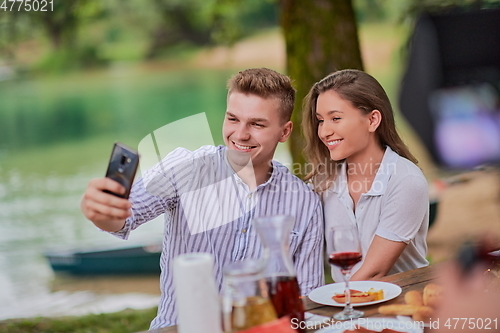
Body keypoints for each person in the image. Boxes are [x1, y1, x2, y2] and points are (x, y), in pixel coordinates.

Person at [80, 68, 324, 328]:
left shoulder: (303, 201)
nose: (240, 134)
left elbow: (307, 302)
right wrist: (103, 211)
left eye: (256, 124)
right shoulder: (187, 167)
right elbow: (126, 217)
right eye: (232, 119)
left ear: (285, 132)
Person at [302, 69, 428, 282]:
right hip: (350, 309)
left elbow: (374, 272)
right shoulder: (324, 183)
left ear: (372, 120)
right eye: (320, 120)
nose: (324, 132)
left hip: (402, 306)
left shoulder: (406, 181)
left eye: (335, 118)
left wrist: (337, 309)